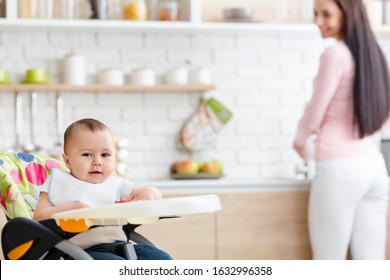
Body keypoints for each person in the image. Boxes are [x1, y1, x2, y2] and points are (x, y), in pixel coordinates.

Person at [293, 0, 390, 260]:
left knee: (328, 262)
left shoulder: (334, 54)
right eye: (316, 13)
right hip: (374, 169)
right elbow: (384, 121)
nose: (317, 21)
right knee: (372, 265)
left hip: (340, 169)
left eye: (326, 14)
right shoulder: (374, 56)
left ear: (348, 14)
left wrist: (301, 140)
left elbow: (316, 110)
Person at [34, 118, 173, 260]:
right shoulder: (58, 182)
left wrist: (148, 194)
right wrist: (72, 208)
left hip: (120, 245)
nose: (97, 162)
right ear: (68, 161)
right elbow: (39, 216)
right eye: (87, 154)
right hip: (82, 252)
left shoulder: (116, 184)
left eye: (105, 155)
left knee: (163, 259)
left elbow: (156, 195)